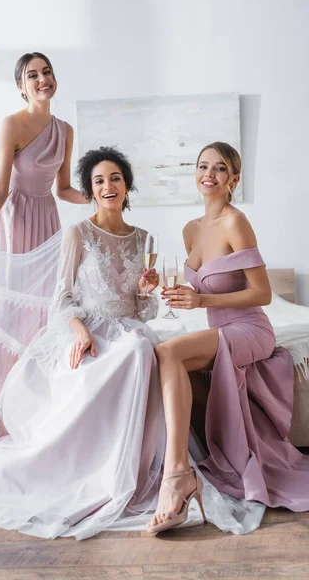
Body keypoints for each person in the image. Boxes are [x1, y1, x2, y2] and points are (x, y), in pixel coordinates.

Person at [0, 147, 166, 539]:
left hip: (129, 330)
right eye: (98, 181)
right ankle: (90, 471)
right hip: (89, 328)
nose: (107, 186)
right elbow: (62, 298)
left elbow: (144, 311)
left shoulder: (145, 238)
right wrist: (80, 331)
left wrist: (148, 292)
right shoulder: (77, 233)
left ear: (127, 185)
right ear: (90, 191)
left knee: (141, 348)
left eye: (115, 178)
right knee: (135, 351)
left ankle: (129, 468)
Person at [147, 141, 309, 534]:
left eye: (220, 169)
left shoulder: (236, 222)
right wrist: (159, 288)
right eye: (203, 166)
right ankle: (178, 464)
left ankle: (178, 474)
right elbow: (192, 291)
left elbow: (263, 293)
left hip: (250, 328)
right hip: (218, 328)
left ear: (233, 179)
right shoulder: (190, 230)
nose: (209, 174)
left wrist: (201, 297)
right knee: (163, 355)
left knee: (168, 351)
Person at [0, 52, 88, 455]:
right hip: (12, 227)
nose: (43, 79)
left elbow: (63, 189)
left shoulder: (64, 130)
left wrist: (99, 199)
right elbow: (0, 186)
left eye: (47, 72)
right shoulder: (11, 125)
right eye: (33, 75)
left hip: (47, 226)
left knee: (44, 322)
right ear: (21, 86)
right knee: (6, 322)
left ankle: (39, 419)